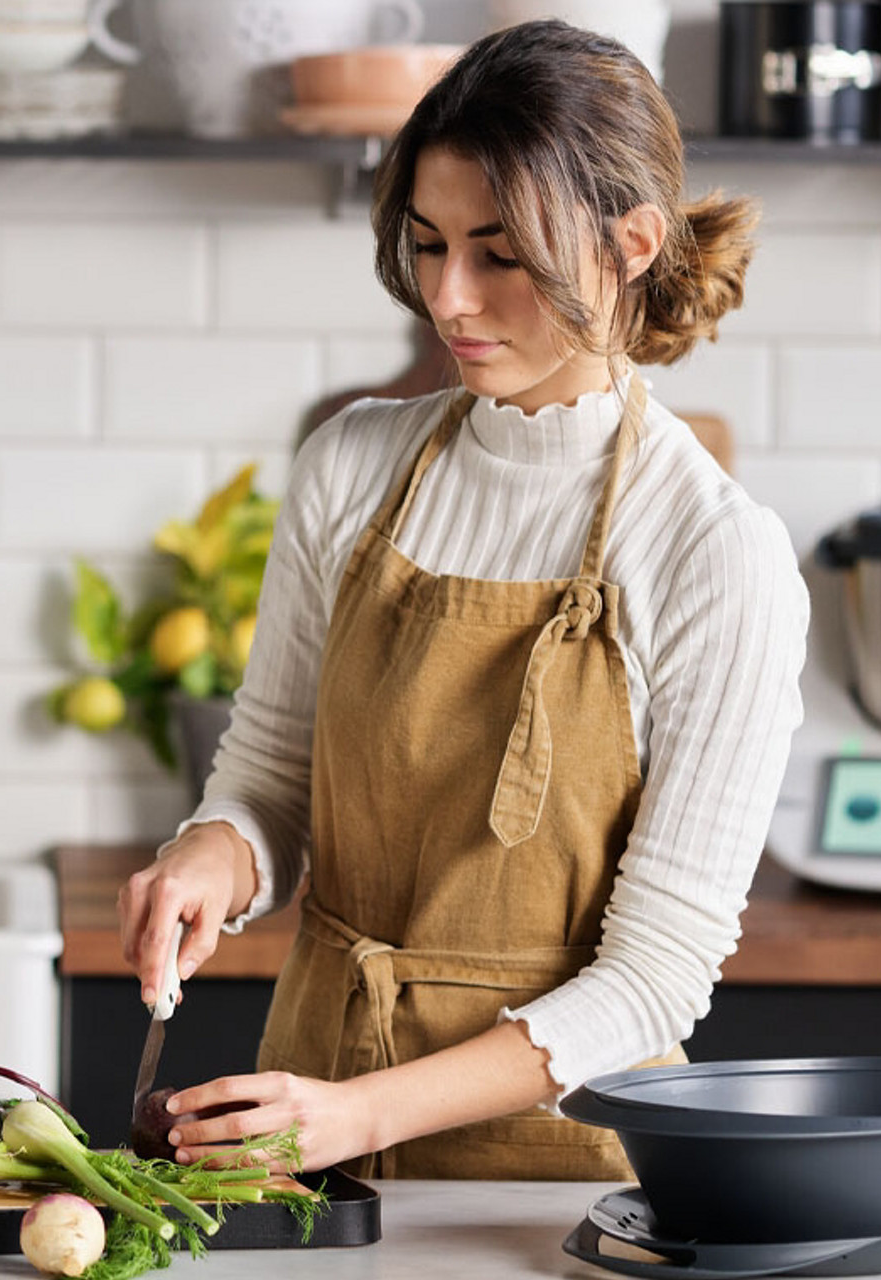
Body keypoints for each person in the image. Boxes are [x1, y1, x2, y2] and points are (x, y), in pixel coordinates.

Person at [117, 18, 809, 1181]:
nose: (449, 296)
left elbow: (657, 975)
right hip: (307, 1137)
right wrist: (208, 854)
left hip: (555, 1180)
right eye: (428, 243)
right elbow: (273, 769)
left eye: (499, 253)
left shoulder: (712, 550)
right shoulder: (351, 464)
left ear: (632, 243)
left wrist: (363, 1112)